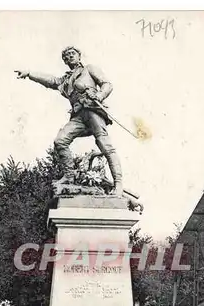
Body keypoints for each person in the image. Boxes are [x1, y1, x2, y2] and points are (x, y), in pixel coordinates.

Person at [15, 46, 123, 196]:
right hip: (78, 116)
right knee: (60, 141)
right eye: (66, 56)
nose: (70, 56)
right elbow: (51, 81)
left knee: (106, 146)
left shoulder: (89, 69)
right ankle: (69, 175)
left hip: (93, 111)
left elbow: (107, 84)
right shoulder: (65, 81)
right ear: (65, 61)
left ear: (79, 56)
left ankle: (118, 185)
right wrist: (29, 74)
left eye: (73, 54)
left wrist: (99, 96)